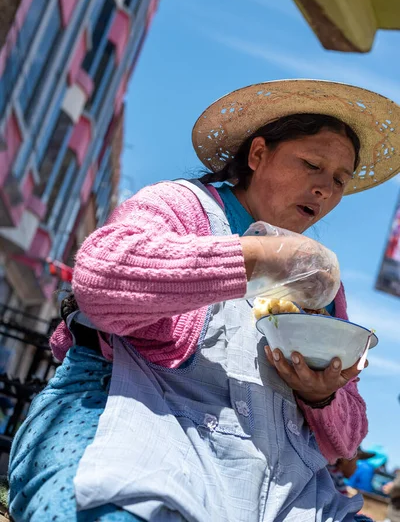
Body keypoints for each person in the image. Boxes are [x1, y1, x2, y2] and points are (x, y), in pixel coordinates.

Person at [9, 79, 400, 522]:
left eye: (339, 181)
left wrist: (323, 396)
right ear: (257, 155)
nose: (324, 189)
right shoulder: (182, 207)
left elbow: (349, 439)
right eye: (311, 164)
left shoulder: (317, 283)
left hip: (278, 489)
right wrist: (254, 258)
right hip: (134, 437)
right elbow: (100, 279)